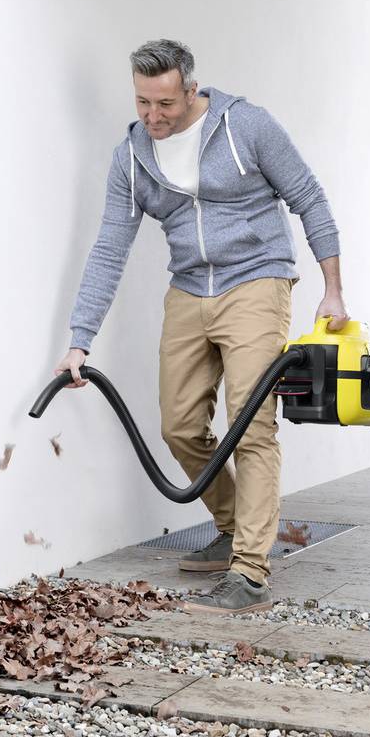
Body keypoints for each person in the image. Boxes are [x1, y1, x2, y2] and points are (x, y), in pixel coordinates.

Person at [55, 39, 348, 615]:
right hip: (189, 287)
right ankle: (235, 524)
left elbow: (309, 199)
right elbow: (110, 246)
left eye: (164, 103)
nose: (153, 116)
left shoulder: (247, 126)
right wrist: (78, 339)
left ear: (191, 89)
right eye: (142, 103)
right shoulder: (133, 155)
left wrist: (332, 288)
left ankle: (250, 571)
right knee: (179, 425)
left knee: (250, 422)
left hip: (258, 279)